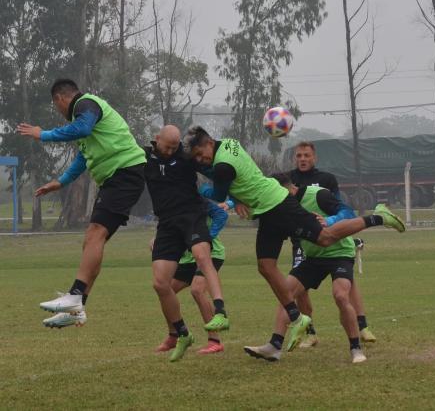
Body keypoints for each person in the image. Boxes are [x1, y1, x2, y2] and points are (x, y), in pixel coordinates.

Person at [182, 126, 405, 353]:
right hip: (266, 209)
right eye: (197, 158)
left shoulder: (222, 167)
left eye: (201, 154)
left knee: (326, 238)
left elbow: (217, 194)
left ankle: (379, 217)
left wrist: (197, 190)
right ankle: (295, 320)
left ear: (209, 142)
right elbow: (232, 181)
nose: (201, 159)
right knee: (265, 266)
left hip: (277, 204)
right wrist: (233, 193)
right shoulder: (229, 143)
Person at [19, 79, 146, 329]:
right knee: (92, 241)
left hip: (125, 173)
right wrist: (61, 181)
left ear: (59, 99)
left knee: (95, 234)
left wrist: (42, 134)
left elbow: (84, 130)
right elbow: (83, 155)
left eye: (57, 107)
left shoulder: (85, 104)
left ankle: (75, 296)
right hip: (118, 178)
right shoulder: (84, 113)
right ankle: (77, 309)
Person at [244, 174, 367, 363]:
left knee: (341, 296)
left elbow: (349, 213)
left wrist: (329, 221)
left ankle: (356, 348)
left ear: (286, 189)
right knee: (285, 292)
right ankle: (275, 347)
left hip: (339, 254)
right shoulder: (284, 209)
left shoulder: (318, 195)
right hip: (313, 258)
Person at [144, 125, 230, 361]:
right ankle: (180, 333)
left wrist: (236, 198)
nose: (172, 151)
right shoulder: (143, 158)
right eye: (167, 146)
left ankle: (219, 318)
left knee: (201, 265)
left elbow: (220, 173)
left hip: (192, 221)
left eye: (175, 147)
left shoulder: (187, 158)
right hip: (168, 226)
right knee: (162, 286)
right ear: (156, 139)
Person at [289, 141, 376, 347]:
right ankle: (310, 333)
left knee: (346, 282)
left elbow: (341, 209)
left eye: (306, 155)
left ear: (314, 157)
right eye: (299, 155)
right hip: (303, 241)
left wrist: (330, 222)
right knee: (300, 288)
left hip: (332, 237)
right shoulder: (289, 180)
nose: (302, 159)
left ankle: (362, 325)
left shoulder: (326, 179)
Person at [154, 199, 232, 355]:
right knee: (166, 291)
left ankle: (214, 341)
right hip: (187, 258)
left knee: (197, 290)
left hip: (210, 254)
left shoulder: (195, 199)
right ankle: (174, 335)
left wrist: (208, 237)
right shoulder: (168, 202)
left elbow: (221, 215)